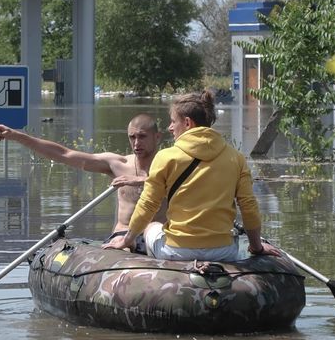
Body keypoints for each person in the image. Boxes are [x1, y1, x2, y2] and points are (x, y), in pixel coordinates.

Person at [108, 89, 276, 262]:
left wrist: (127, 240)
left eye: (173, 121)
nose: (170, 127)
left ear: (187, 123)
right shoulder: (236, 158)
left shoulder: (166, 157)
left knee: (152, 226)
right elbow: (248, 206)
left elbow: (148, 205)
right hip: (224, 252)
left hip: (177, 251)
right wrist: (257, 247)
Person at [0, 114, 161, 240]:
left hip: (157, 234)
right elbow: (64, 154)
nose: (137, 143)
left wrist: (141, 180)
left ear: (157, 137)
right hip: (123, 234)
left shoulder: (173, 165)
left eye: (142, 136)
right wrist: (17, 136)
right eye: (132, 137)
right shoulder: (118, 164)